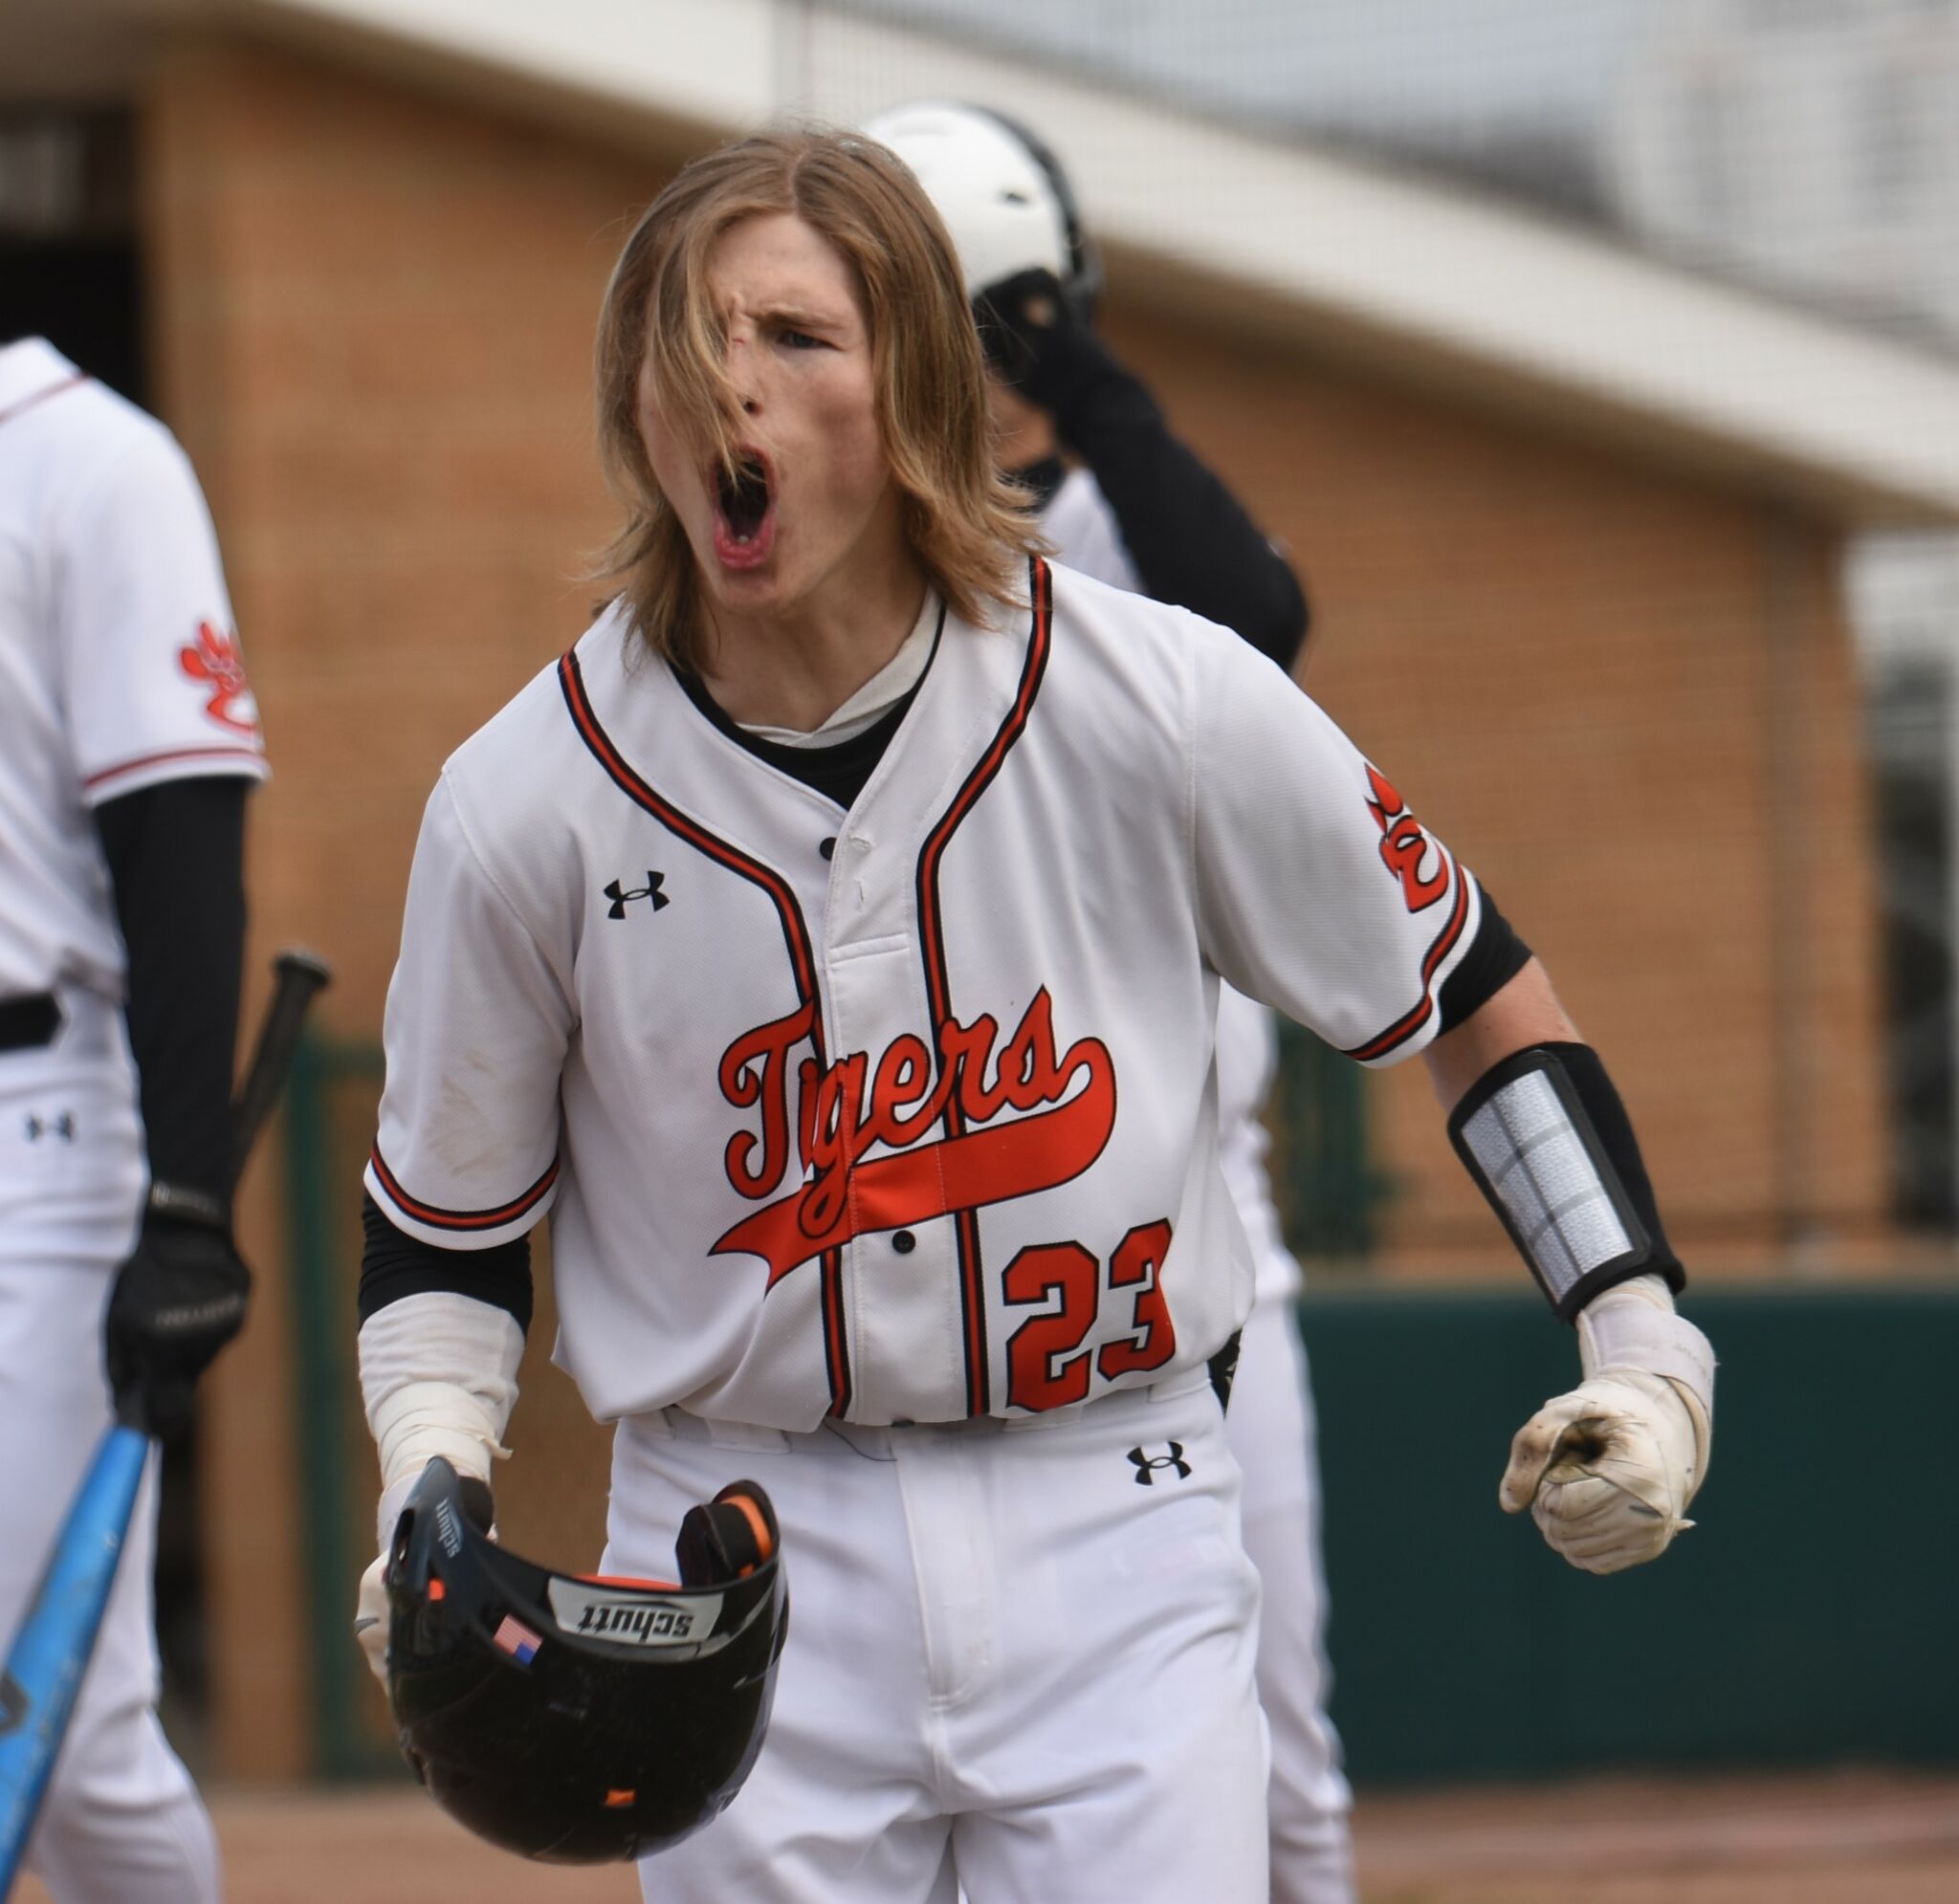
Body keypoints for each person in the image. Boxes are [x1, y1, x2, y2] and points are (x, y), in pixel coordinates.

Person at [352, 128, 1715, 1903]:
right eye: (683, 348)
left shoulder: (1157, 698)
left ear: (921, 380)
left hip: (1118, 1502)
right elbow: (444, 1228)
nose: (726, 389)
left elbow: (1469, 992)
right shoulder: (523, 800)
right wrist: (429, 1480)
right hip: (741, 1529)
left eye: (791, 337)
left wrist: (1643, 1342)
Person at [864, 98, 1354, 1904]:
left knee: (1283, 1780)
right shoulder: (854, 580)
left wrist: (1082, 372)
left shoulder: (1127, 526)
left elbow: (1266, 620)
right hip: (939, 1268)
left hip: (1205, 1243)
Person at [0, 336, 264, 1901]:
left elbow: (180, 848)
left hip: (33, 1145)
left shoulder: (92, 461)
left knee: (61, 1721)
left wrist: (184, 1198)